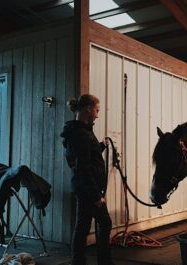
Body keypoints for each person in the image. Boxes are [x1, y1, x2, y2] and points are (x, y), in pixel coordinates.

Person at [60, 94, 114, 265]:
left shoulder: (81, 132)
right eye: (96, 110)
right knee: (101, 224)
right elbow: (83, 167)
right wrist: (96, 195)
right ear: (88, 109)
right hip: (88, 189)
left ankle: (81, 261)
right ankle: (99, 262)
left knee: (84, 226)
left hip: (85, 187)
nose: (97, 115)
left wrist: (101, 146)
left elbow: (87, 157)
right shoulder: (80, 133)